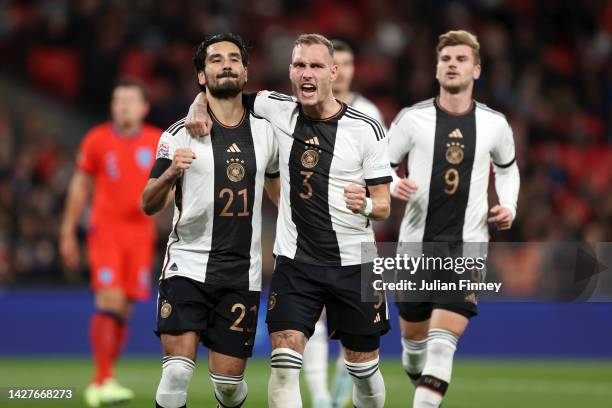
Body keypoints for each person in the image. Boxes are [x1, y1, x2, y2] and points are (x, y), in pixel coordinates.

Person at [186, 33, 392, 408]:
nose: (306, 73)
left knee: (363, 369)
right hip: (295, 265)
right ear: (291, 72)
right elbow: (223, 92)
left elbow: (383, 205)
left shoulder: (366, 129)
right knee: (284, 362)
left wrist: (364, 204)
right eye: (299, 65)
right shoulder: (276, 107)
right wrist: (197, 105)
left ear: (333, 73)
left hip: (355, 264)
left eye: (315, 66)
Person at [141, 33, 280, 408]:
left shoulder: (267, 132)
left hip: (241, 274)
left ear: (246, 72)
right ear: (202, 76)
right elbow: (148, 203)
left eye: (234, 58)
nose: (226, 65)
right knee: (176, 374)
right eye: (216, 60)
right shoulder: (177, 134)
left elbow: (280, 195)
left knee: (228, 386)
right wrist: (170, 174)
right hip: (186, 265)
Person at [387, 30, 520, 408]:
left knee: (442, 346)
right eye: (446, 59)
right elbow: (380, 164)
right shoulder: (413, 120)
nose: (452, 65)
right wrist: (393, 183)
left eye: (461, 59)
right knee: (414, 349)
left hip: (467, 249)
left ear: (476, 70)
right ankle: (419, 374)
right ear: (436, 68)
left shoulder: (495, 124)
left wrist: (508, 205)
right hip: (414, 247)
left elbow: (508, 170)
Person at [60, 79, 162, 407]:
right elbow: (80, 186)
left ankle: (108, 376)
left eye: (130, 101)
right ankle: (99, 380)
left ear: (144, 107)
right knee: (110, 299)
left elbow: (171, 186)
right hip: (106, 231)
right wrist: (67, 232)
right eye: (118, 101)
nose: (123, 106)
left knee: (124, 308)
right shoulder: (97, 140)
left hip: (141, 235)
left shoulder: (158, 140)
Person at [301, 38, 388, 408]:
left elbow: (386, 172)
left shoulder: (369, 114)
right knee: (316, 319)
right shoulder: (300, 111)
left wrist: (373, 202)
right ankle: (322, 398)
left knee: (355, 334)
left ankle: (339, 392)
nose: (345, 71)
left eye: (351, 64)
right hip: (311, 234)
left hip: (358, 233)